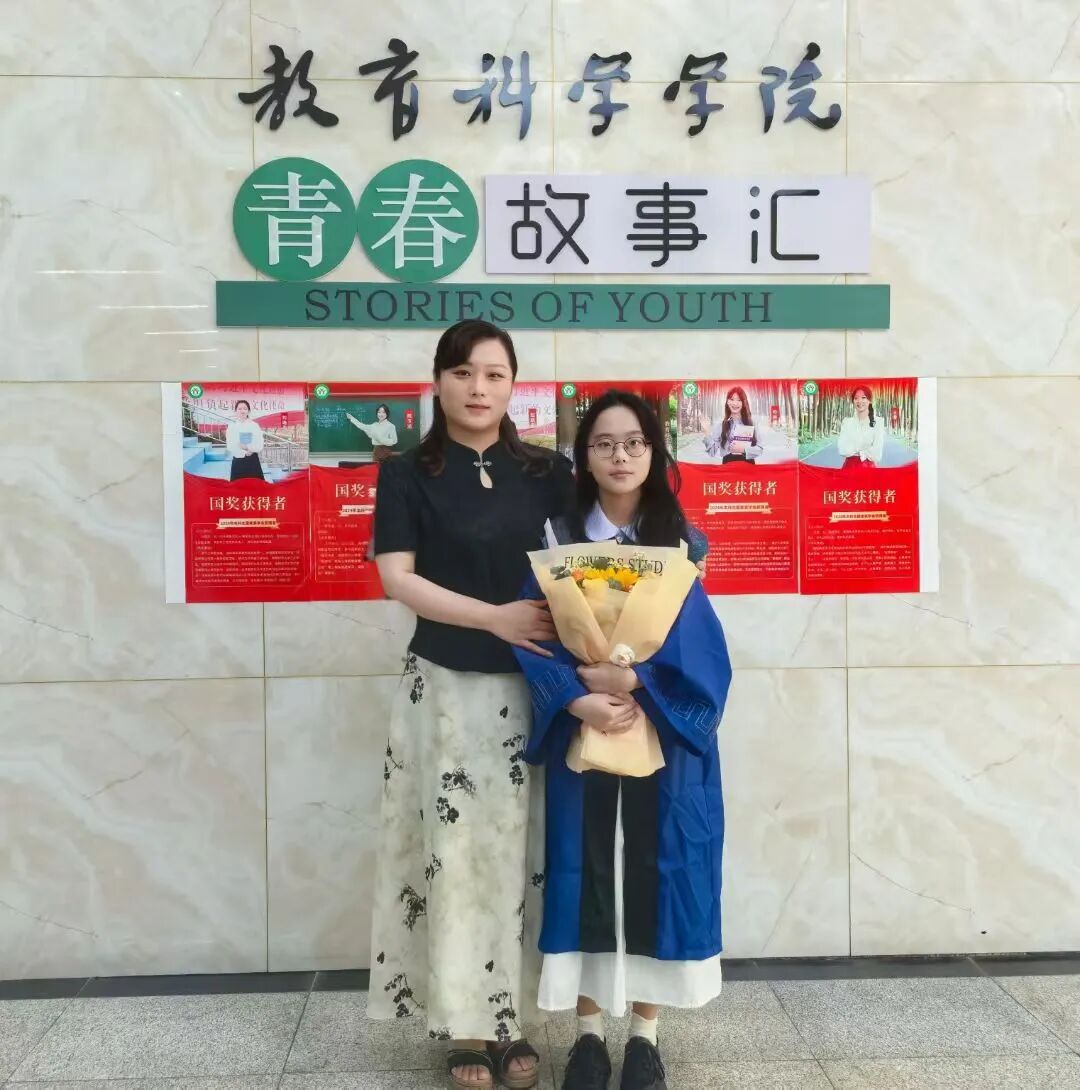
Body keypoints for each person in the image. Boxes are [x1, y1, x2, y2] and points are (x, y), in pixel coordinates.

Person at [369, 320, 574, 1090]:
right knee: (451, 855)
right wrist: (494, 618)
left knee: (525, 849)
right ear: (439, 381)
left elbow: (592, 554)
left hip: (537, 689)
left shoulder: (549, 471)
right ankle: (464, 1025)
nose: (478, 388)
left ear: (514, 384)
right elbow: (398, 577)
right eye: (462, 373)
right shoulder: (407, 474)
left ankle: (513, 1018)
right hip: (446, 690)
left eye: (493, 374)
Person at [515, 391, 732, 1090]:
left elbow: (701, 648)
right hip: (584, 730)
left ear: (653, 452)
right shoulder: (556, 538)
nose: (620, 455)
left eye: (634, 442)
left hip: (656, 734)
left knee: (656, 871)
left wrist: (639, 684)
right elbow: (534, 635)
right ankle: (586, 1037)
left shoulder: (681, 542)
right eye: (604, 443)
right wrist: (576, 695)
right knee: (583, 870)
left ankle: (644, 1036)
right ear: (584, 456)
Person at [703, 386, 763, 464]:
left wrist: (743, 450)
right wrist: (706, 431)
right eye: (732, 399)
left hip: (748, 466)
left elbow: (760, 449)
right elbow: (712, 452)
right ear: (727, 402)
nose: (735, 403)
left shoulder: (751, 423)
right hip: (728, 467)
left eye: (739, 400)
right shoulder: (721, 425)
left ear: (743, 403)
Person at [837, 385, 885, 469]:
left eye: (863, 398)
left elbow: (877, 455)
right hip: (849, 469)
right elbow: (843, 449)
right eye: (856, 398)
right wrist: (866, 450)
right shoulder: (847, 422)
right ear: (853, 401)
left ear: (869, 400)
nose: (859, 401)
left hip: (869, 470)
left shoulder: (878, 422)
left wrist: (856, 451)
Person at [225, 400, 265, 481]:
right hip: (238, 461)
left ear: (248, 411)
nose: (242, 411)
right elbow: (229, 445)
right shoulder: (232, 427)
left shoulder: (254, 426)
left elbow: (260, 444)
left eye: (245, 409)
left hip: (252, 461)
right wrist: (243, 451)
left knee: (255, 486)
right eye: (239, 409)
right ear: (235, 411)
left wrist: (248, 448)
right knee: (238, 487)